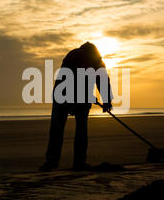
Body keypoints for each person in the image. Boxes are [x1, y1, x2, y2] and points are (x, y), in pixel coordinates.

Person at [39, 42, 113, 171]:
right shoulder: (95, 60)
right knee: (81, 130)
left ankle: (51, 161)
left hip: (60, 95)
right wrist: (106, 102)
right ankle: (78, 163)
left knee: (57, 130)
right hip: (73, 96)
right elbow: (101, 80)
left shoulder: (72, 54)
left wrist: (91, 97)